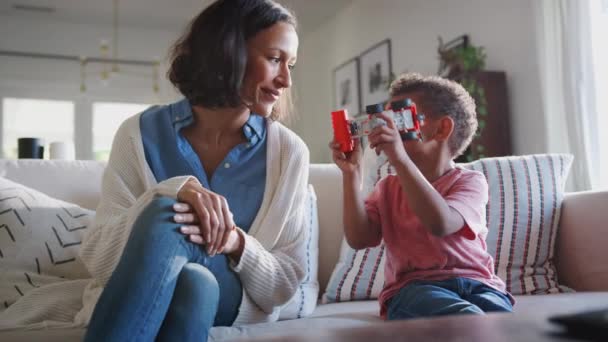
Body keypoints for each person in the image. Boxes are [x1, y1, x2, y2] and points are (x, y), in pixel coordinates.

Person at [80, 1, 310, 341]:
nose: (286, 80)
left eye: (290, 64)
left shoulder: (289, 152)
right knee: (193, 280)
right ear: (228, 53)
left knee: (170, 215)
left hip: (232, 297)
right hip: (191, 292)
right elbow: (98, 257)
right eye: (275, 59)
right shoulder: (136, 134)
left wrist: (235, 241)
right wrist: (170, 192)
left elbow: (283, 285)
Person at [330, 72, 514, 321]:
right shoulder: (387, 189)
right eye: (384, 119)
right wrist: (351, 175)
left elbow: (441, 223)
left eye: (400, 118)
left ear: (442, 129)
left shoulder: (470, 181)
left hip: (479, 284)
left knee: (503, 319)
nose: (388, 128)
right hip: (414, 289)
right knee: (466, 317)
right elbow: (359, 238)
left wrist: (400, 158)